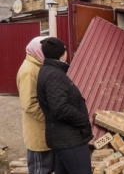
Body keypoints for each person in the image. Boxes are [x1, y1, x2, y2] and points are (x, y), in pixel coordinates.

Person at [36, 37, 93, 174]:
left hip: (64, 138)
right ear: (63, 53)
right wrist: (83, 118)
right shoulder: (54, 75)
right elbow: (60, 108)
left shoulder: (50, 71)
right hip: (69, 139)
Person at [16, 36, 55, 174]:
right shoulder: (29, 71)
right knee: (40, 169)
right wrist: (50, 119)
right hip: (38, 132)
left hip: (46, 131)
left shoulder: (38, 66)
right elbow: (29, 104)